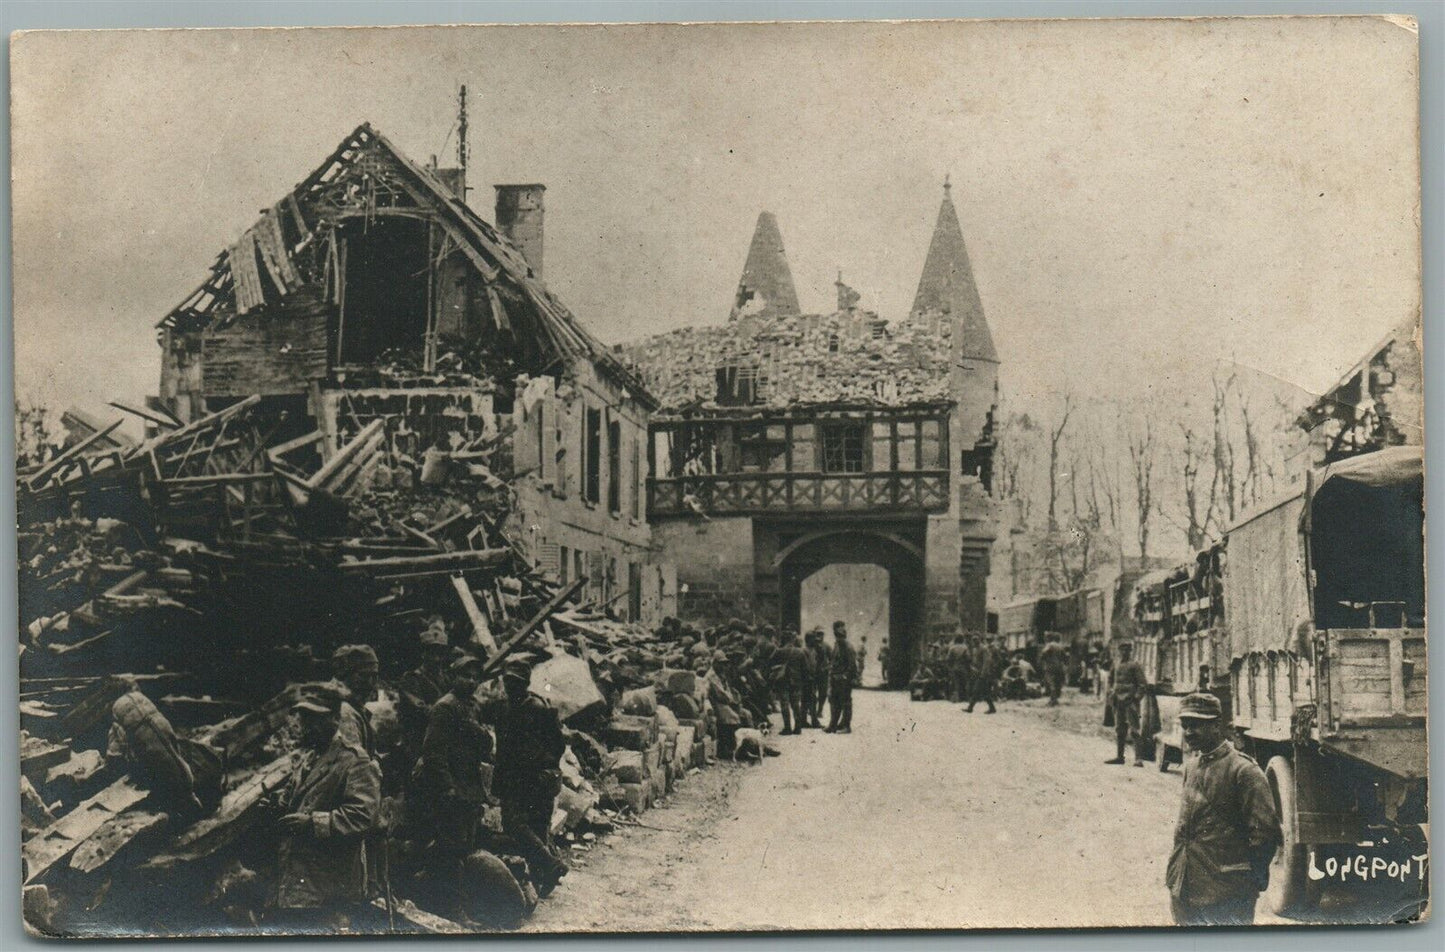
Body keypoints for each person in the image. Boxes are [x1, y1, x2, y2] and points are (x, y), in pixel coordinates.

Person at [1167, 692, 1279, 925]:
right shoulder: (1191, 766)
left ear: (1217, 725)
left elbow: (1265, 835)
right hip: (1184, 886)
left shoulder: (1243, 771)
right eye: (1185, 726)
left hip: (1227, 893)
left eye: (1196, 726)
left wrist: (1246, 884)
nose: (1189, 733)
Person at [272, 697, 382, 931]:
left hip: (330, 883)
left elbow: (362, 816)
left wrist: (313, 823)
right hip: (300, 876)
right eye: (304, 720)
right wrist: (277, 805)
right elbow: (298, 798)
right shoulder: (309, 757)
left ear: (334, 720)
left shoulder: (355, 761)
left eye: (314, 720)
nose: (306, 726)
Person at [484, 657, 569, 896]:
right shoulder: (502, 707)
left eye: (517, 682)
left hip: (534, 778)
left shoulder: (539, 709)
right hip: (512, 779)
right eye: (508, 681)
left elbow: (557, 744)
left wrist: (543, 764)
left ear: (526, 683)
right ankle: (545, 873)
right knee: (524, 825)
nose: (511, 686)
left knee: (525, 824)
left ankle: (548, 870)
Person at [407, 654, 492, 857]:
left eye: (475, 677)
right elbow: (433, 752)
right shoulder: (445, 707)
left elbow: (486, 746)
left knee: (467, 846)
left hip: (469, 785)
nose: (471, 681)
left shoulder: (473, 706)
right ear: (454, 677)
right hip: (452, 787)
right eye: (465, 676)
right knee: (450, 847)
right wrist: (447, 788)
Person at [332, 644, 380, 760]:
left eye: (374, 676)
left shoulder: (355, 705)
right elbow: (357, 761)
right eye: (363, 675)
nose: (370, 683)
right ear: (344, 675)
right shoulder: (344, 710)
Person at [1107, 642, 1148, 766]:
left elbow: (1142, 684)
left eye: (1126, 650)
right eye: (1122, 650)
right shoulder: (1116, 664)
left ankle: (1138, 758)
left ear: (1130, 651)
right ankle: (1120, 757)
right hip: (1118, 700)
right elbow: (1110, 679)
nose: (1124, 652)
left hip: (1130, 701)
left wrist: (1136, 698)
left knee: (1134, 729)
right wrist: (1111, 691)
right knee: (1120, 729)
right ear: (1119, 651)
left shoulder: (1134, 665)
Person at [774, 629, 811, 734]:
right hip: (796, 681)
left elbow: (771, 663)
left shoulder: (779, 651)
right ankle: (798, 727)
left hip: (783, 681)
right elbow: (806, 669)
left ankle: (787, 728)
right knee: (795, 704)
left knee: (784, 704)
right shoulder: (800, 652)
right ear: (792, 639)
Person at [824, 622, 858, 733]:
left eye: (841, 635)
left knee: (846, 702)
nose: (839, 638)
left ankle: (846, 726)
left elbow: (852, 665)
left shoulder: (848, 647)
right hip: (835, 678)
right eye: (837, 635)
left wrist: (845, 676)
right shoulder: (837, 645)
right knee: (834, 702)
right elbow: (833, 661)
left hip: (843, 680)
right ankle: (833, 725)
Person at [964, 634, 997, 714]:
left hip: (983, 673)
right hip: (977, 673)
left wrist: (983, 673)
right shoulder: (975, 649)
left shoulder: (984, 649)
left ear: (979, 640)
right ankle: (992, 708)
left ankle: (970, 708)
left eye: (976, 639)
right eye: (973, 639)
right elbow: (975, 661)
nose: (974, 641)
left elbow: (986, 662)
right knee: (984, 691)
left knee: (976, 690)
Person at [808, 628, 832, 726]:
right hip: (813, 672)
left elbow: (832, 660)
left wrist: (827, 667)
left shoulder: (826, 646)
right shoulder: (811, 646)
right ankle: (812, 710)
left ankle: (820, 710)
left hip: (823, 673)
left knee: (823, 693)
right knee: (812, 693)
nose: (820, 636)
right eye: (818, 634)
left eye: (821, 634)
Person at [1040, 632, 1068, 707]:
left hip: (1050, 666)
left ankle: (1053, 700)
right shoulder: (1061, 646)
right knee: (1057, 683)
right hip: (1059, 667)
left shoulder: (1050, 645)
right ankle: (1056, 700)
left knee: (1051, 683)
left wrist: (1044, 658)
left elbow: (1044, 652)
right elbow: (1065, 658)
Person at [945, 635, 971, 703]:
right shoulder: (965, 647)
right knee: (964, 682)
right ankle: (965, 698)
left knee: (956, 683)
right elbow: (968, 658)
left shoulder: (952, 648)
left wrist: (950, 667)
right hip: (963, 667)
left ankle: (957, 698)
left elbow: (948, 659)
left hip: (955, 667)